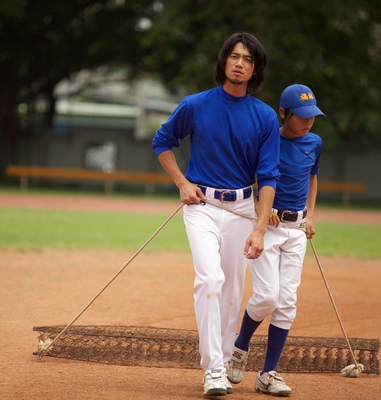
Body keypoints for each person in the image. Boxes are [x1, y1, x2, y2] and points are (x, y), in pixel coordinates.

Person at [152, 32, 280, 397]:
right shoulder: (195, 104)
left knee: (232, 291)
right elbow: (162, 142)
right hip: (201, 207)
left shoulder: (265, 116)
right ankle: (212, 370)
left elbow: (269, 176)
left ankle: (224, 362)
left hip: (241, 209)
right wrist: (181, 182)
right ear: (224, 61)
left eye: (248, 59)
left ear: (255, 69)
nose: (240, 63)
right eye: (235, 56)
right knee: (210, 280)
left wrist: (258, 228)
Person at [226, 83, 325, 397]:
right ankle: (239, 347)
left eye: (312, 116)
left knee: (287, 303)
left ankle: (268, 373)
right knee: (268, 297)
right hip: (267, 229)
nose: (308, 122)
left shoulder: (315, 142)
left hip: (296, 232)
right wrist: (259, 208)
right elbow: (250, 179)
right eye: (301, 116)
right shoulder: (268, 140)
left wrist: (310, 215)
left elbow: (313, 178)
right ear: (284, 113)